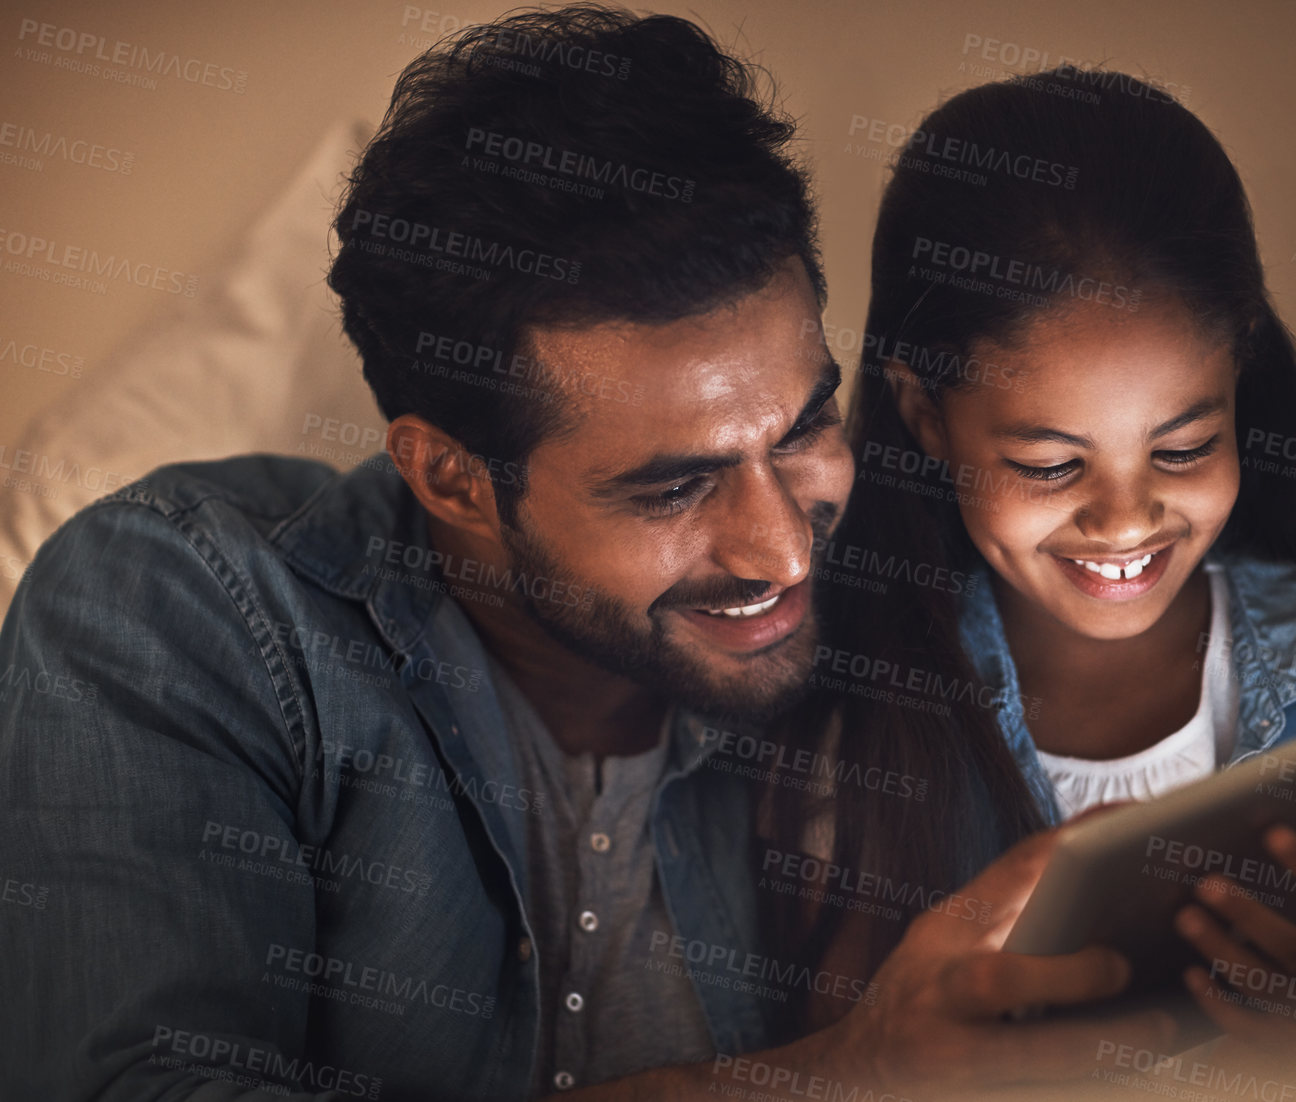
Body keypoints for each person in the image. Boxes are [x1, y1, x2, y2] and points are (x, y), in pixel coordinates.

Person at [0, 11, 1178, 1100]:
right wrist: (841, 1078)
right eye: (672, 486)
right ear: (452, 478)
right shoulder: (177, 606)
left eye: (806, 426)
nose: (780, 548)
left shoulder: (904, 624)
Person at [759, 66, 1296, 1046]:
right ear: (922, 414)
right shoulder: (867, 729)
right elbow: (847, 1058)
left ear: (1240, 371)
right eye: (1049, 463)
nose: (1122, 520)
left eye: (1183, 449)